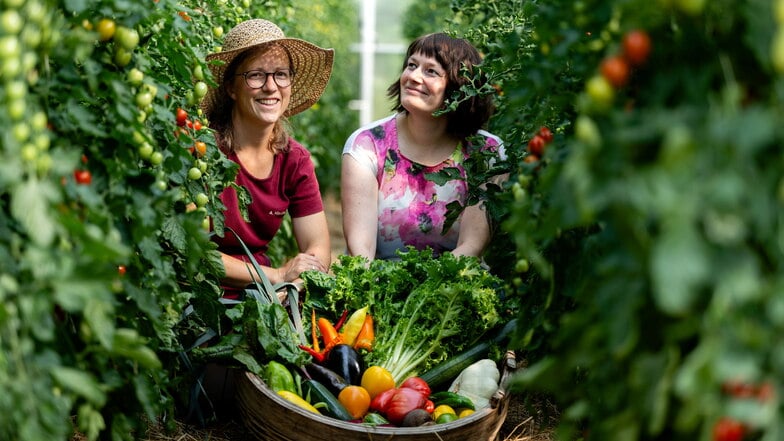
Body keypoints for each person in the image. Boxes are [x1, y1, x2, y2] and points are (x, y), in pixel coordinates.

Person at [341, 32, 503, 261]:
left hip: (455, 285)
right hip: (378, 284)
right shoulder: (367, 145)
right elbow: (361, 251)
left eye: (431, 71)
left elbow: (472, 247)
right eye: (412, 65)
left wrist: (425, 291)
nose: (413, 77)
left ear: (460, 87)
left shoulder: (486, 153)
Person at [202, 18, 334, 297]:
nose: (271, 87)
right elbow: (193, 248)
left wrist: (299, 278)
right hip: (200, 298)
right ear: (230, 88)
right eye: (256, 75)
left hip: (262, 299)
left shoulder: (294, 160)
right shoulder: (202, 152)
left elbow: (318, 246)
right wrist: (276, 275)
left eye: (281, 74)